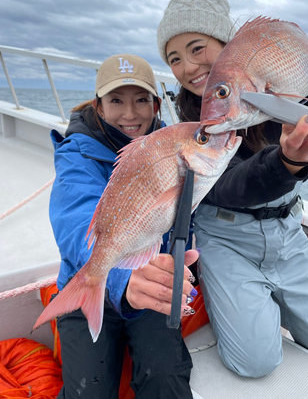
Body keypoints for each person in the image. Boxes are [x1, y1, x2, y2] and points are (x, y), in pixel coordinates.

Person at [157, 0, 308, 378]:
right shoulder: (194, 115)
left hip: (288, 234)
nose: (187, 67)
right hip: (224, 238)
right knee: (255, 361)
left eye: (197, 48)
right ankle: (257, 303)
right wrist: (288, 161)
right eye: (173, 58)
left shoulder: (266, 80)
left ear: (228, 47)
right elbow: (226, 187)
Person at [49, 53, 199, 399]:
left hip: (150, 284)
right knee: (87, 391)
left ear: (157, 105)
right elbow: (74, 219)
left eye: (141, 100)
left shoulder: (175, 148)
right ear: (99, 106)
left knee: (167, 380)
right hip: (89, 279)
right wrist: (121, 277)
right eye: (116, 100)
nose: (130, 114)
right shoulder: (77, 153)